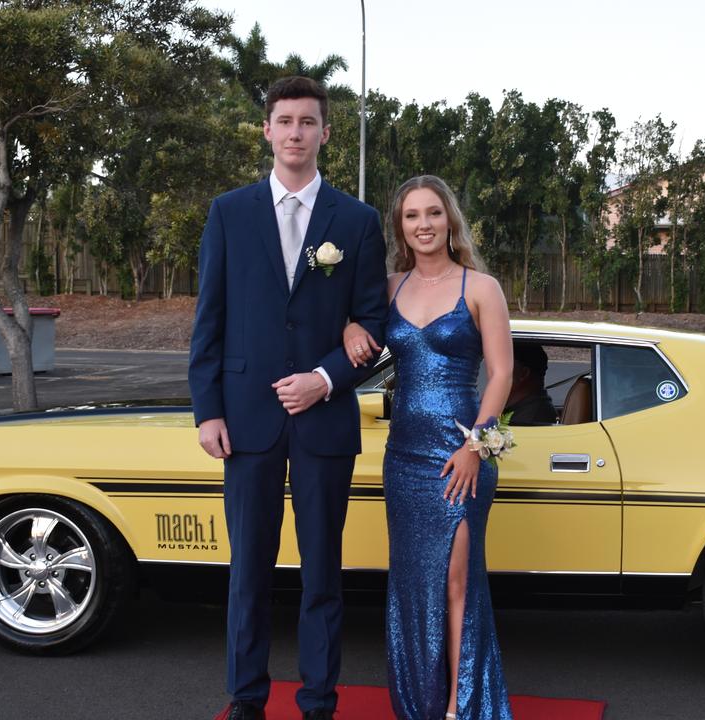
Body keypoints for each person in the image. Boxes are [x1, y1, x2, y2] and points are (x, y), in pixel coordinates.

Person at [188, 76, 388, 720]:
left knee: (322, 573)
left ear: (325, 133)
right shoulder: (229, 212)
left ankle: (318, 699)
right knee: (248, 568)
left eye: (308, 121)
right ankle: (247, 696)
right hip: (244, 419)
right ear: (268, 131)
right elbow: (209, 321)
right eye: (285, 121)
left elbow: (374, 328)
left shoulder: (356, 222)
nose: (296, 132)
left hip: (323, 419)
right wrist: (208, 409)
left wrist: (325, 379)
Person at [344, 175, 514, 720]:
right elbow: (359, 342)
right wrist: (351, 325)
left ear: (450, 220)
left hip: (461, 456)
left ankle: (458, 707)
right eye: (412, 215)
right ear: (401, 226)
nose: (424, 224)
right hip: (405, 458)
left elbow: (502, 374)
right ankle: (420, 701)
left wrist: (477, 446)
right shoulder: (388, 287)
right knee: (415, 583)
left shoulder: (480, 287)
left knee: (457, 580)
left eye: (434, 213)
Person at [504, 343, 558, 425]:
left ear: (524, 373)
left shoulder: (530, 420)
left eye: (503, 363)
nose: (498, 370)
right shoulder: (524, 409)